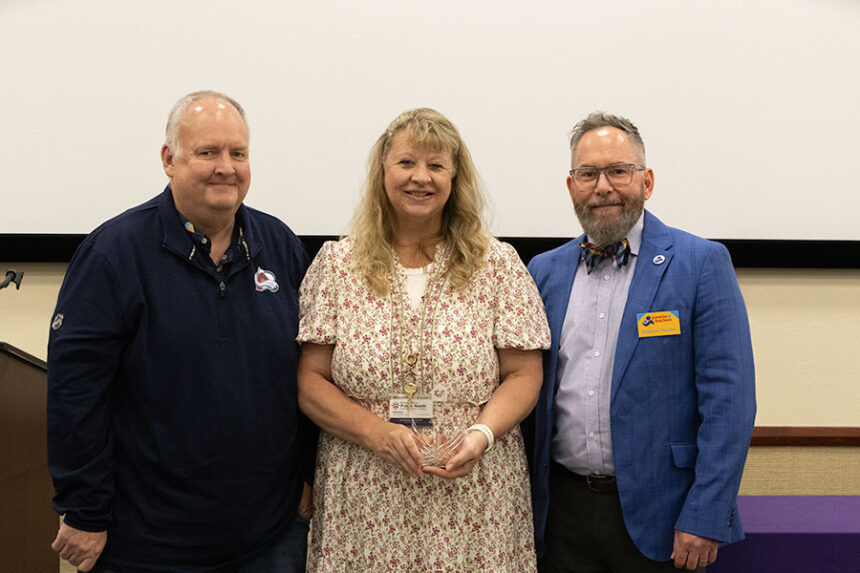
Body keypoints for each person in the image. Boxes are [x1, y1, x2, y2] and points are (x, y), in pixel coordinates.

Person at [47, 91, 313, 573]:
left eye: (238, 154)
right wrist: (84, 509)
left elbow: (310, 375)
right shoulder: (114, 254)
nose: (226, 168)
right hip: (148, 545)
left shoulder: (281, 246)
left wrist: (311, 480)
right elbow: (76, 394)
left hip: (270, 537)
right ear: (169, 159)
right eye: (208, 153)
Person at [296, 108, 550, 571]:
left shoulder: (497, 264)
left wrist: (482, 434)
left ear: (456, 178)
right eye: (407, 163)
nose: (421, 178)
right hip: (365, 498)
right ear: (383, 172)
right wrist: (377, 432)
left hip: (475, 493)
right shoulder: (336, 264)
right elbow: (310, 381)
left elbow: (523, 374)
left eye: (436, 166)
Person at [525, 112, 756, 572]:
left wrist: (706, 513)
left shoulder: (701, 263)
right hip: (561, 515)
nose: (603, 186)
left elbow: (729, 401)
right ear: (571, 187)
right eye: (587, 174)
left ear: (646, 181)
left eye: (618, 171)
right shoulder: (543, 272)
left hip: (664, 518)